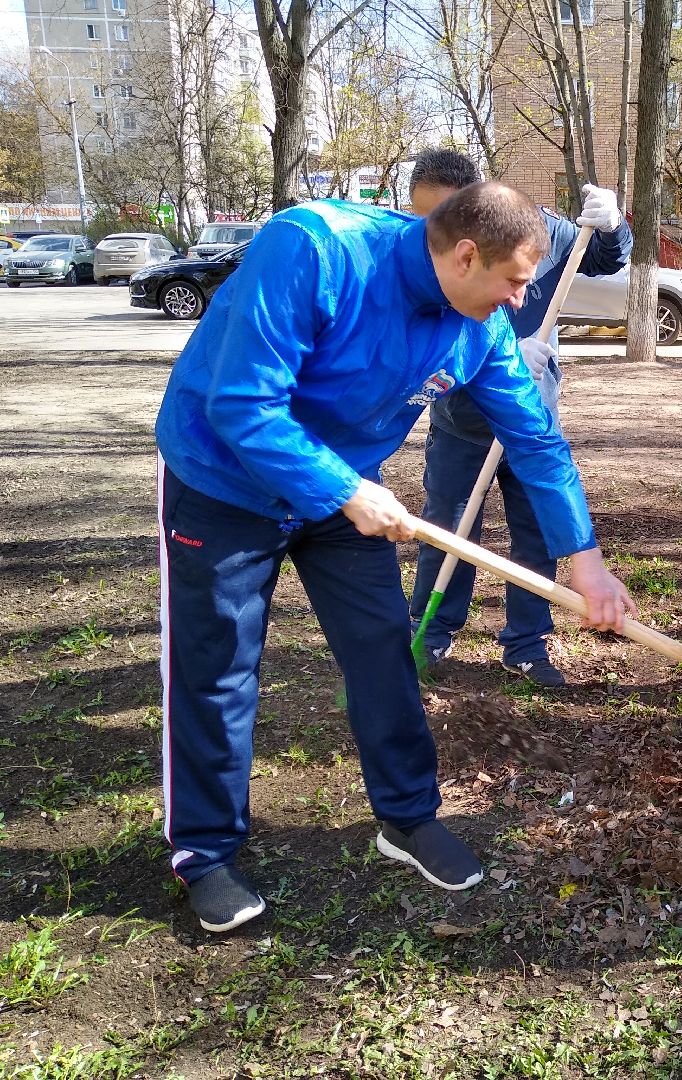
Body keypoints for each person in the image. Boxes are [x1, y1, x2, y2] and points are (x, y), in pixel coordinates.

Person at [155, 181, 636, 933]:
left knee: (383, 650)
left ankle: (407, 819)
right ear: (466, 254)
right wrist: (342, 486)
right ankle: (206, 852)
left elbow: (537, 442)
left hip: (348, 492)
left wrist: (586, 556)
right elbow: (242, 403)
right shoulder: (314, 249)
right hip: (222, 481)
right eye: (514, 283)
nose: (520, 302)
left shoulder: (480, 326)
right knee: (218, 667)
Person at [408, 151, 633, 688]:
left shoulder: (530, 228)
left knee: (535, 531)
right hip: (460, 423)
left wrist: (614, 225)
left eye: (441, 218)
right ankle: (432, 631)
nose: (429, 237)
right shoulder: (418, 259)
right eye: (422, 221)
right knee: (448, 527)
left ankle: (526, 644)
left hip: (531, 414)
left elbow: (601, 258)